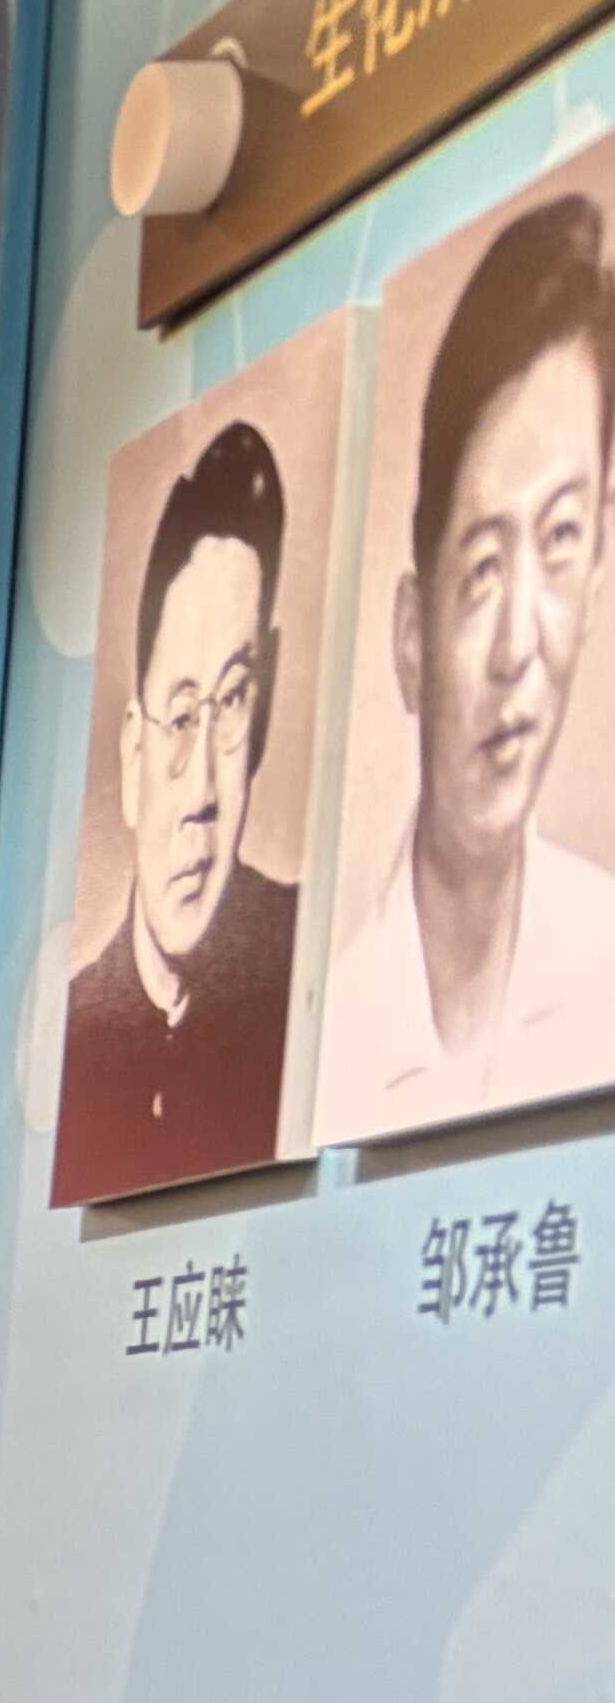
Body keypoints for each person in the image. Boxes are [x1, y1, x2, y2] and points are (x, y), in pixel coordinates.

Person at [327, 186, 615, 1140]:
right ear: (412, 636)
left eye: (562, 538)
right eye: (484, 566)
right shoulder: (331, 1035)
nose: (518, 646)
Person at [56, 418, 304, 1203]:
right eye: (182, 713)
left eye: (231, 703)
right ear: (133, 757)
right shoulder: (77, 1030)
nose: (201, 792)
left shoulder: (307, 964)